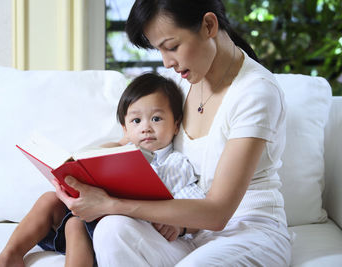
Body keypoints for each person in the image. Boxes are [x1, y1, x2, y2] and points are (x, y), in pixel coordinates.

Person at [54, 0, 293, 266]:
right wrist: (80, 166)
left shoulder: (255, 92)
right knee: (113, 230)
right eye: (160, 50)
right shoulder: (181, 84)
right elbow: (129, 143)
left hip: (247, 230)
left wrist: (112, 204)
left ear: (209, 25)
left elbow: (217, 214)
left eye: (172, 47)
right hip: (187, 232)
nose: (167, 62)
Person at [0, 72, 205, 267]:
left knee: (74, 225)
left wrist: (180, 226)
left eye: (156, 119)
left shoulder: (175, 164)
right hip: (87, 216)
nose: (146, 127)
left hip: (117, 233)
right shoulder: (117, 151)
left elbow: (198, 210)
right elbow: (92, 159)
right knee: (49, 200)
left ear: (176, 125)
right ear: (125, 128)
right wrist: (122, 144)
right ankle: (10, 255)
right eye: (136, 121)